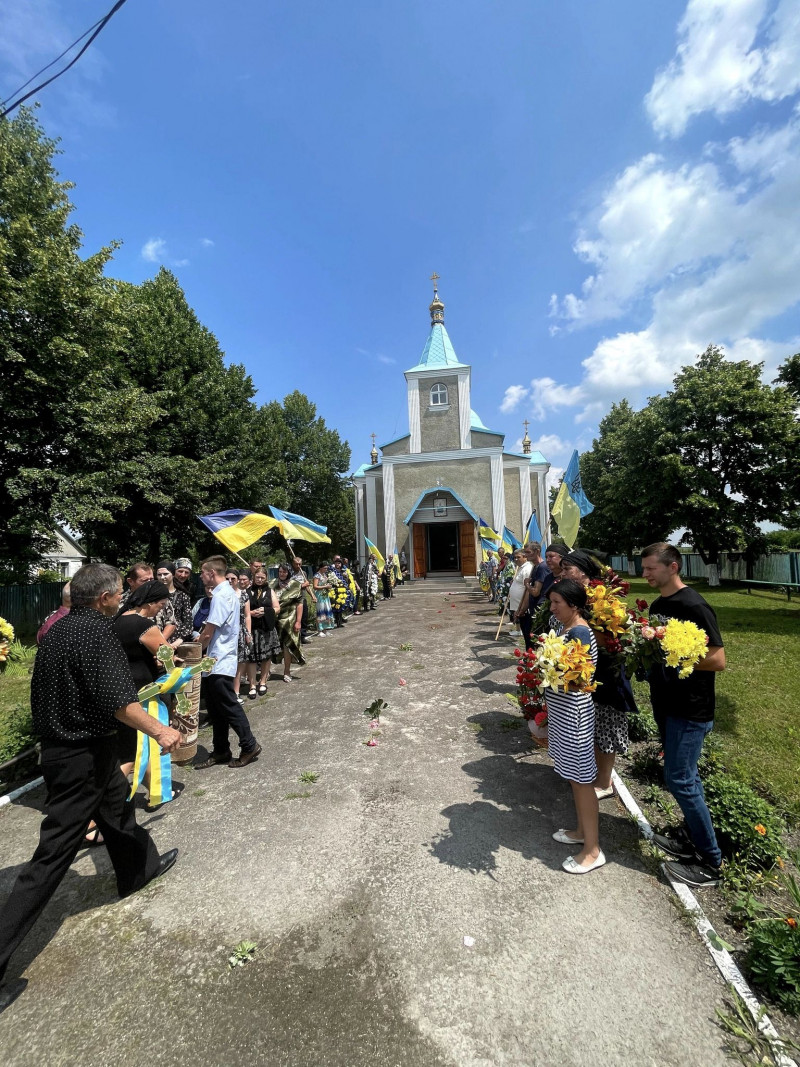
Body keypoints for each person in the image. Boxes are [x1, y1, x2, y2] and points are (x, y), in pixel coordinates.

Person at [0, 564, 181, 1014]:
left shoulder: (60, 628)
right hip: (78, 755)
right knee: (52, 856)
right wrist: (161, 732)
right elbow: (120, 702)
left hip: (79, 749)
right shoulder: (96, 633)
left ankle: (137, 871)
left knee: (117, 809)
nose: (122, 598)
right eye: (119, 593)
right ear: (104, 597)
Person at [642, 542, 725, 888]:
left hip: (690, 709)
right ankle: (692, 841)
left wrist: (679, 657)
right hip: (667, 703)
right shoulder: (661, 605)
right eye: (644, 568)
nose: (645, 573)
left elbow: (718, 659)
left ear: (673, 566)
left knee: (681, 779)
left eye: (650, 568)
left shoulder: (694, 605)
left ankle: (710, 863)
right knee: (683, 777)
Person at [545, 579, 603, 874]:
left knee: (582, 780)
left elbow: (578, 676)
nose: (552, 608)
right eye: (552, 602)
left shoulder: (579, 631)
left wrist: (545, 665)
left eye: (557, 603)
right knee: (573, 776)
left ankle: (592, 850)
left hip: (574, 716)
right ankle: (581, 831)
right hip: (562, 713)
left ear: (574, 605)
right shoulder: (565, 627)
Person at [194, 556, 261, 768]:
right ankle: (221, 749)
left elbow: (210, 630)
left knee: (228, 704)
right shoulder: (225, 593)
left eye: (203, 573)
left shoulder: (221, 596)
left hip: (220, 658)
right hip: (217, 659)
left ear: (211, 573)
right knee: (215, 708)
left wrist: (196, 649)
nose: (201, 577)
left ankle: (249, 744)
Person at [113, 579, 173, 780]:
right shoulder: (145, 626)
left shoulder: (118, 620)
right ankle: (114, 790)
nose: (160, 610)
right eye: (161, 605)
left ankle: (150, 787)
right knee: (143, 744)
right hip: (145, 689)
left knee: (135, 743)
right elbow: (166, 655)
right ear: (150, 602)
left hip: (122, 685)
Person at [270, 563, 306, 681]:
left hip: (289, 620)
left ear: (289, 572)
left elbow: (299, 604)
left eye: (284, 572)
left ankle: (287, 671)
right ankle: (267, 671)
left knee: (287, 646)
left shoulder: (296, 585)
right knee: (270, 646)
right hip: (273, 620)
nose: (282, 574)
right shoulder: (272, 583)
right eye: (280, 571)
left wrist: (298, 621)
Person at [248, 569, 281, 694]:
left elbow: (277, 608)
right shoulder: (248, 590)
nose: (260, 580)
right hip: (252, 628)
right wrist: (251, 613)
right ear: (254, 577)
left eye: (262, 577)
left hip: (266, 628)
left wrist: (265, 611)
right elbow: (242, 609)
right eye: (258, 577)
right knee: (251, 657)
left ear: (266, 578)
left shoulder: (269, 591)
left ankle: (262, 682)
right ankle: (252, 685)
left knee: (266, 657)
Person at [227, 569, 253, 703]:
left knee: (240, 661)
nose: (230, 581)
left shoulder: (243, 595)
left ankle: (236, 692)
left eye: (233, 579)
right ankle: (228, 692)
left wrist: (248, 633)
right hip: (226, 633)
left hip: (241, 631)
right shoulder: (222, 595)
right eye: (228, 579)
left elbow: (248, 615)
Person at [156, 561, 193, 643]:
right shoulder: (152, 596)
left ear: (172, 574)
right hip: (156, 638)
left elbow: (188, 622)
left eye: (165, 574)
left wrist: (179, 641)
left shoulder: (183, 596)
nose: (162, 577)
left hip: (176, 640)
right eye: (159, 575)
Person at [290, 556, 314, 642]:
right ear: (293, 564)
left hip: (302, 597)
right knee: (294, 618)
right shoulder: (290, 573)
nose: (298, 566)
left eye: (300, 564)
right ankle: (294, 636)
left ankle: (302, 636)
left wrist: (312, 596)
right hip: (292, 598)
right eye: (296, 564)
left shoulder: (303, 573)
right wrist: (302, 586)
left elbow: (307, 586)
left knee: (304, 617)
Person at [313, 562, 335, 635]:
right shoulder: (317, 575)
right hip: (319, 595)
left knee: (326, 610)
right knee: (320, 611)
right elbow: (315, 586)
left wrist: (328, 586)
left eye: (327, 568)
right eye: (325, 568)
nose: (326, 569)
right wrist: (325, 587)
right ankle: (320, 630)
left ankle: (325, 628)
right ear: (321, 568)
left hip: (325, 595)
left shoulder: (324, 575)